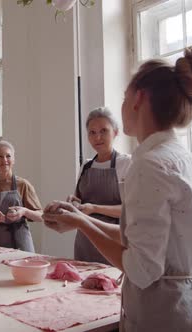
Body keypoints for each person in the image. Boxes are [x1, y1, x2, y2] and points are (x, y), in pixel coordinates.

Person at [43, 47, 192, 331]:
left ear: (138, 98)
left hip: (167, 315)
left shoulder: (150, 164)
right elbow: (140, 239)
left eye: (123, 97)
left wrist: (83, 220)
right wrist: (80, 218)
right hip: (189, 306)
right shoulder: (182, 158)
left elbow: (141, 269)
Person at [68, 107, 131, 264]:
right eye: (92, 132)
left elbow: (129, 211)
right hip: (85, 241)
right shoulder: (86, 166)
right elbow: (80, 201)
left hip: (113, 241)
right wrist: (73, 203)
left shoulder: (126, 163)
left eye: (104, 131)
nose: (98, 137)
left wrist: (94, 208)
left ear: (115, 133)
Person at [0, 141, 42, 252]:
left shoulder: (23, 184)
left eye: (8, 156)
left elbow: (41, 216)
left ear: (13, 160)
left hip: (20, 241)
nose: (4, 160)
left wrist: (24, 211)